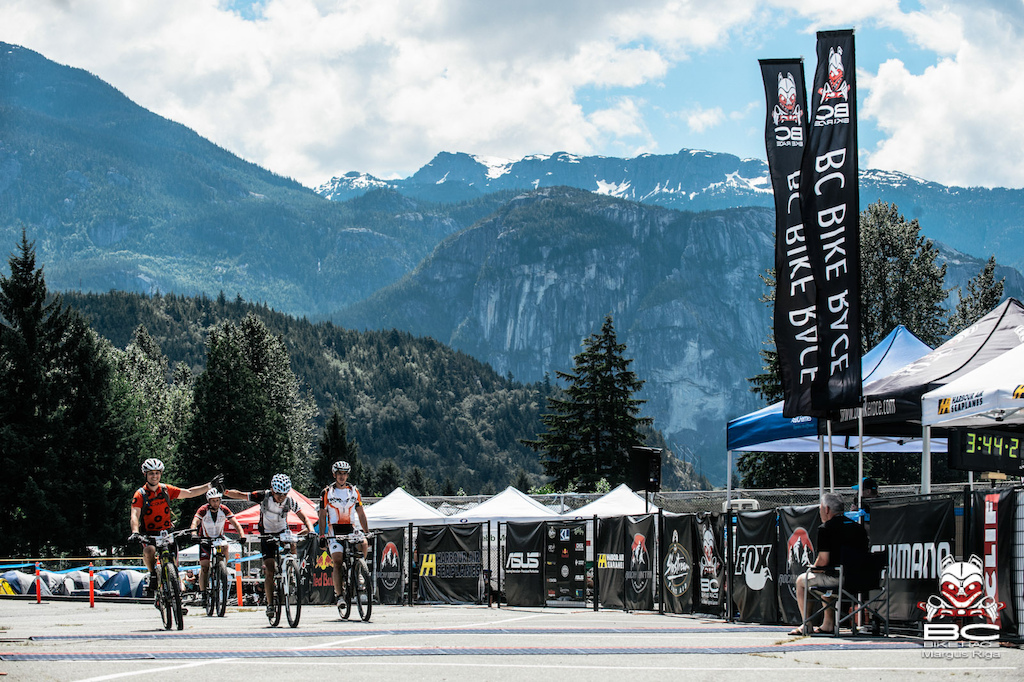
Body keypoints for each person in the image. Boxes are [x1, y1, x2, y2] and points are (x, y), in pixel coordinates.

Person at [223, 474, 315, 618]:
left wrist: (311, 530)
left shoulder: (289, 500)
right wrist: (225, 492)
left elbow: (303, 516)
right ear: (272, 490)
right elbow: (241, 495)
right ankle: (270, 604)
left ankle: (291, 570)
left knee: (292, 541)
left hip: (282, 531)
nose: (281, 497)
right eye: (278, 494)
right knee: (270, 571)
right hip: (266, 534)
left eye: (284, 494)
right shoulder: (263, 496)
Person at [128, 458, 222, 597]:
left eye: (157, 473)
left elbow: (189, 493)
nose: (154, 476)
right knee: (149, 550)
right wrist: (135, 532)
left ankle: (176, 597)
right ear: (145, 475)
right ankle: (153, 574)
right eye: (151, 473)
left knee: (173, 564)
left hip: (167, 531)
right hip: (149, 533)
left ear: (161, 474)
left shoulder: (166, 490)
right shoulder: (140, 494)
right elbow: (135, 514)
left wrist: (209, 486)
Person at [790, 491, 869, 636]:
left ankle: (807, 624)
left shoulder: (825, 529)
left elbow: (823, 561)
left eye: (820, 508)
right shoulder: (859, 529)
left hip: (839, 580)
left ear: (826, 509)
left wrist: (813, 568)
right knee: (826, 575)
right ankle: (827, 624)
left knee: (803, 580)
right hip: (862, 580)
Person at [318, 460, 370, 607]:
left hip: (350, 527)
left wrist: (367, 532)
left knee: (364, 543)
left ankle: (359, 570)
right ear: (334, 475)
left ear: (347, 475)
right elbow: (322, 515)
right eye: (339, 473)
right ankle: (340, 595)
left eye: (344, 474)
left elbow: (361, 513)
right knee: (338, 562)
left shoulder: (354, 491)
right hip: (334, 529)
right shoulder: (327, 492)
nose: (342, 476)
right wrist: (322, 535)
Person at [189, 488, 245, 604]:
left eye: (217, 500)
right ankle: (203, 592)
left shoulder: (224, 509)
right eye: (213, 501)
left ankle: (221, 568)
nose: (215, 503)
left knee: (225, 547)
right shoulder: (203, 509)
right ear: (209, 501)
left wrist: (242, 535)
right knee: (204, 567)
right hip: (205, 538)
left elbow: (235, 523)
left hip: (219, 538)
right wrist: (193, 533)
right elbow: (195, 522)